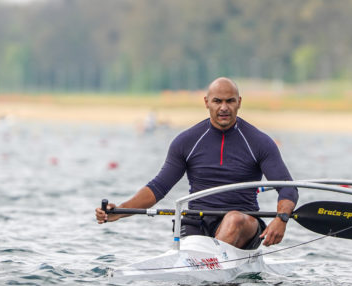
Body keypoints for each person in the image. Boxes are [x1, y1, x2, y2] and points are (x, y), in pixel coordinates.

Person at [95, 77, 298, 249]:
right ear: (206, 102)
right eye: (217, 101)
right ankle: (207, 266)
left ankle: (210, 265)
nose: (224, 107)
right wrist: (120, 211)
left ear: (239, 102)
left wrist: (282, 220)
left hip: (244, 224)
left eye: (230, 101)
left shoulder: (260, 142)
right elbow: (158, 187)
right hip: (196, 221)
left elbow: (288, 189)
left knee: (234, 219)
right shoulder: (186, 141)